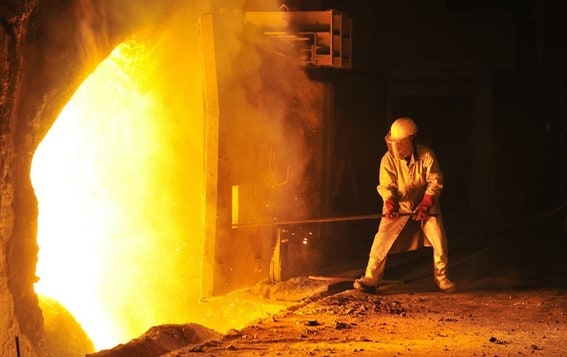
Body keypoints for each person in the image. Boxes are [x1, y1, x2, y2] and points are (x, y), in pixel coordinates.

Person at [353, 117, 456, 293]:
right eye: (394, 143)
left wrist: (426, 204)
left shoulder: (426, 156)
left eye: (400, 143)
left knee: (439, 239)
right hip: (400, 205)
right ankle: (371, 279)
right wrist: (390, 202)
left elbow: (435, 182)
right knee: (382, 239)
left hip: (425, 202)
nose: (397, 148)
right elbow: (386, 186)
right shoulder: (388, 160)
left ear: (411, 139)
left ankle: (442, 278)